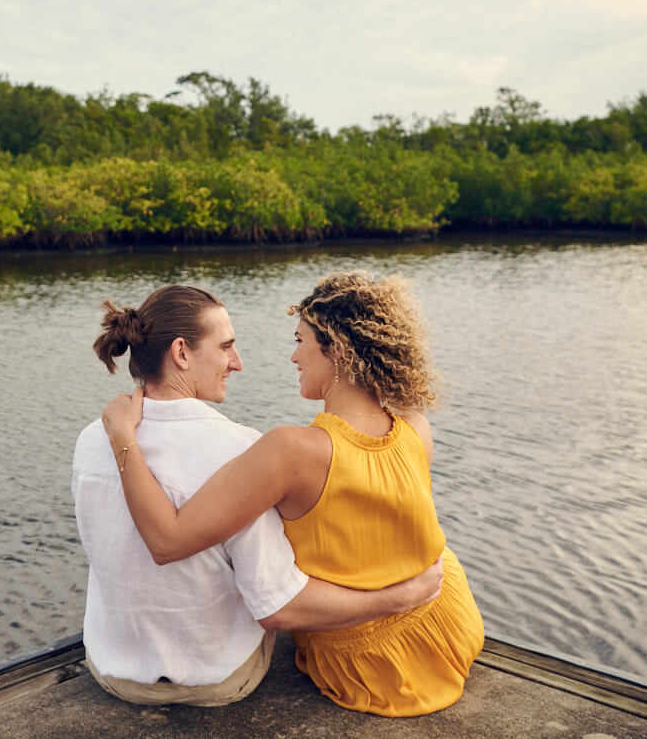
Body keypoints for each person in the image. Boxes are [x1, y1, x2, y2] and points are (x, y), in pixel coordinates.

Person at [100, 271, 484, 717]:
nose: (293, 356)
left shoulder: (290, 452)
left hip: (372, 667)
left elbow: (167, 540)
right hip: (449, 623)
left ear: (336, 348)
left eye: (301, 340)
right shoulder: (417, 428)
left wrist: (124, 436)